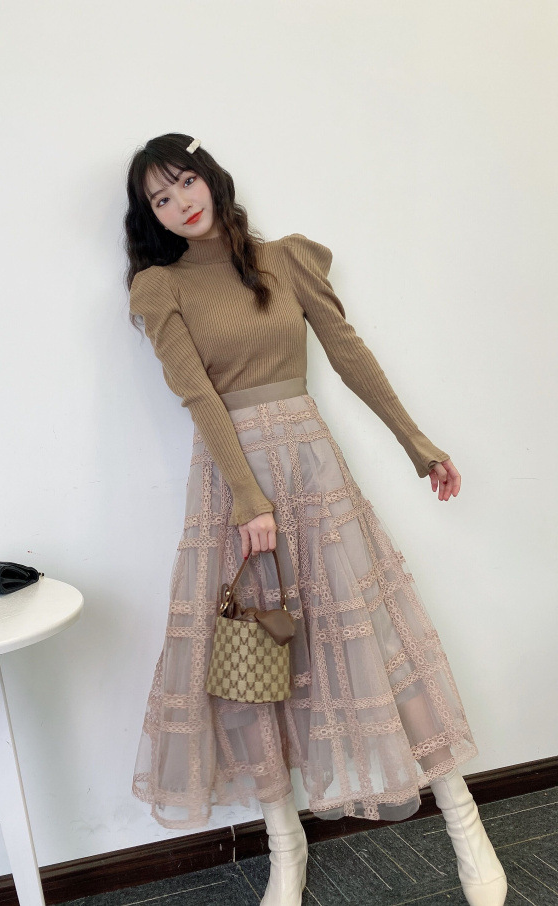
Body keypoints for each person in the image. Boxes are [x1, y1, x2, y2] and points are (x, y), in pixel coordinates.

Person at [124, 133, 506, 906]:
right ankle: (285, 849)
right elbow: (198, 396)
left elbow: (349, 355)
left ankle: (466, 824)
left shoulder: (287, 260)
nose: (179, 203)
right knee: (253, 660)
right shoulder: (159, 288)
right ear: (150, 216)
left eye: (185, 181)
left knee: (377, 639)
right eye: (159, 198)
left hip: (313, 474)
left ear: (211, 178)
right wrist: (248, 498)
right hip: (234, 488)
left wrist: (418, 445)